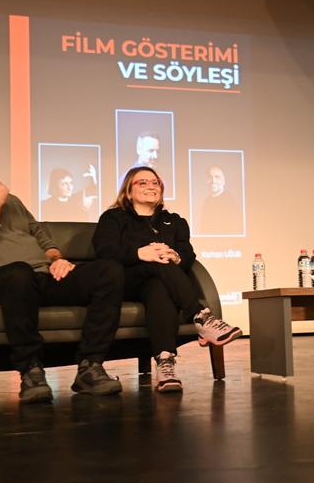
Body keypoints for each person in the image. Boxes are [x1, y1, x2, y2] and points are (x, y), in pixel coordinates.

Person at [0, 136, 125, 403]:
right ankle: (31, 371)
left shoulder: (13, 201)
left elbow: (43, 239)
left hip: (43, 276)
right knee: (19, 273)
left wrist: (57, 259)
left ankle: (90, 367)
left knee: (109, 270)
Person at [93, 166, 242, 393]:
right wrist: (140, 253)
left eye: (155, 183)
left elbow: (188, 254)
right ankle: (201, 316)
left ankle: (165, 363)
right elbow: (104, 251)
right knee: (155, 260)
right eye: (143, 182)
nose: (151, 186)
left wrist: (176, 256)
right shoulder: (113, 218)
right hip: (125, 281)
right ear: (128, 192)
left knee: (158, 287)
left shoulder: (175, 221)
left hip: (160, 283)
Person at [197, 165, 242, 235]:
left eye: (217, 177)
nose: (213, 181)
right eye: (210, 177)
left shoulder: (230, 201)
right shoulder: (207, 201)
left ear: (223, 181)